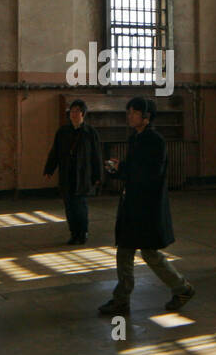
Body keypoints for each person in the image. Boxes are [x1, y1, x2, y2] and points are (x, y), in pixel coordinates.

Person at [97, 96, 195, 317]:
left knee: (144, 252)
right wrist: (118, 169)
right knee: (130, 251)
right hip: (133, 204)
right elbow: (133, 169)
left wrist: (125, 171)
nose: (129, 116)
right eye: (129, 111)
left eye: (133, 112)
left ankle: (180, 289)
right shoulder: (136, 138)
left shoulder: (155, 141)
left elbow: (150, 174)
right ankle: (177, 289)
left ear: (146, 116)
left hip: (145, 207)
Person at [43, 98, 104, 245]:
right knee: (69, 206)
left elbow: (96, 155)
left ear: (83, 114)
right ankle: (74, 233)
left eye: (77, 111)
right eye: (72, 111)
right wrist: (49, 169)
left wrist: (97, 175)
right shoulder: (63, 132)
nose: (74, 114)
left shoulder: (90, 133)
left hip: (83, 175)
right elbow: (55, 152)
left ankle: (83, 233)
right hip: (67, 174)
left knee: (80, 205)